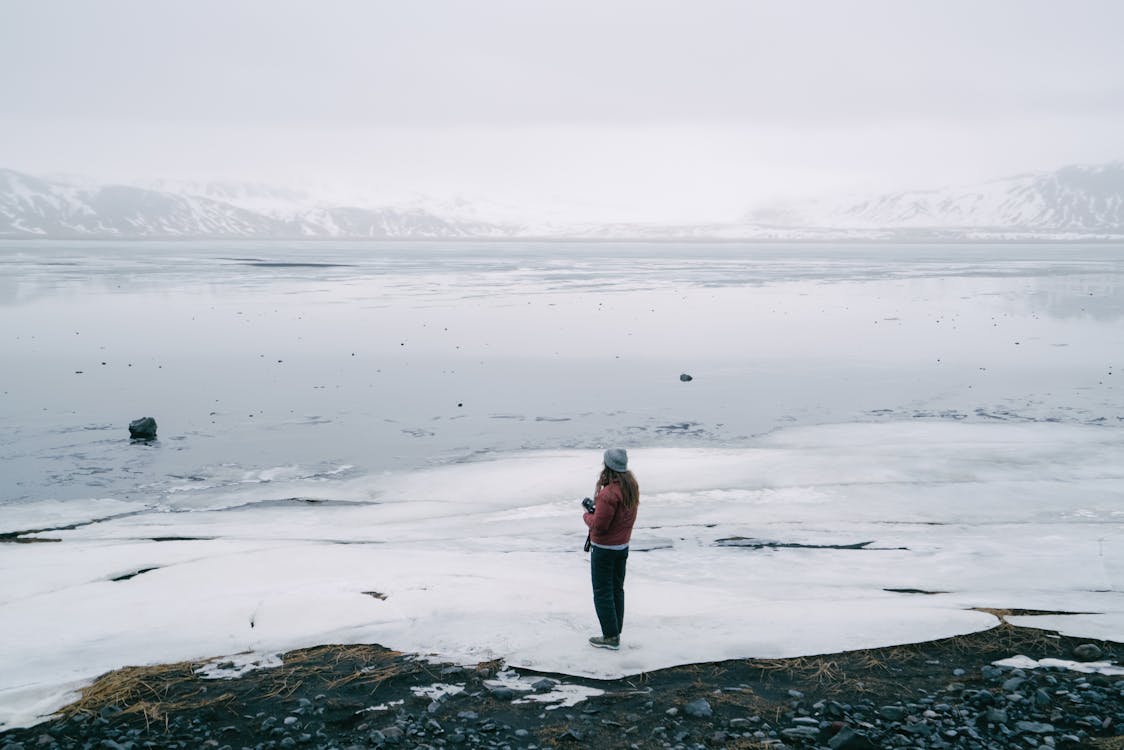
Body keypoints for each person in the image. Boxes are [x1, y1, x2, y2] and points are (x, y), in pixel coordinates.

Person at [582, 447, 639, 650]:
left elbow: (600, 526)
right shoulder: (630, 487)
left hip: (605, 549)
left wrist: (587, 516)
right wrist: (598, 513)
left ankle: (611, 637)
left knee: (602, 591)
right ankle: (615, 631)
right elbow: (617, 519)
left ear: (608, 466)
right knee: (616, 589)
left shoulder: (608, 494)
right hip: (622, 547)